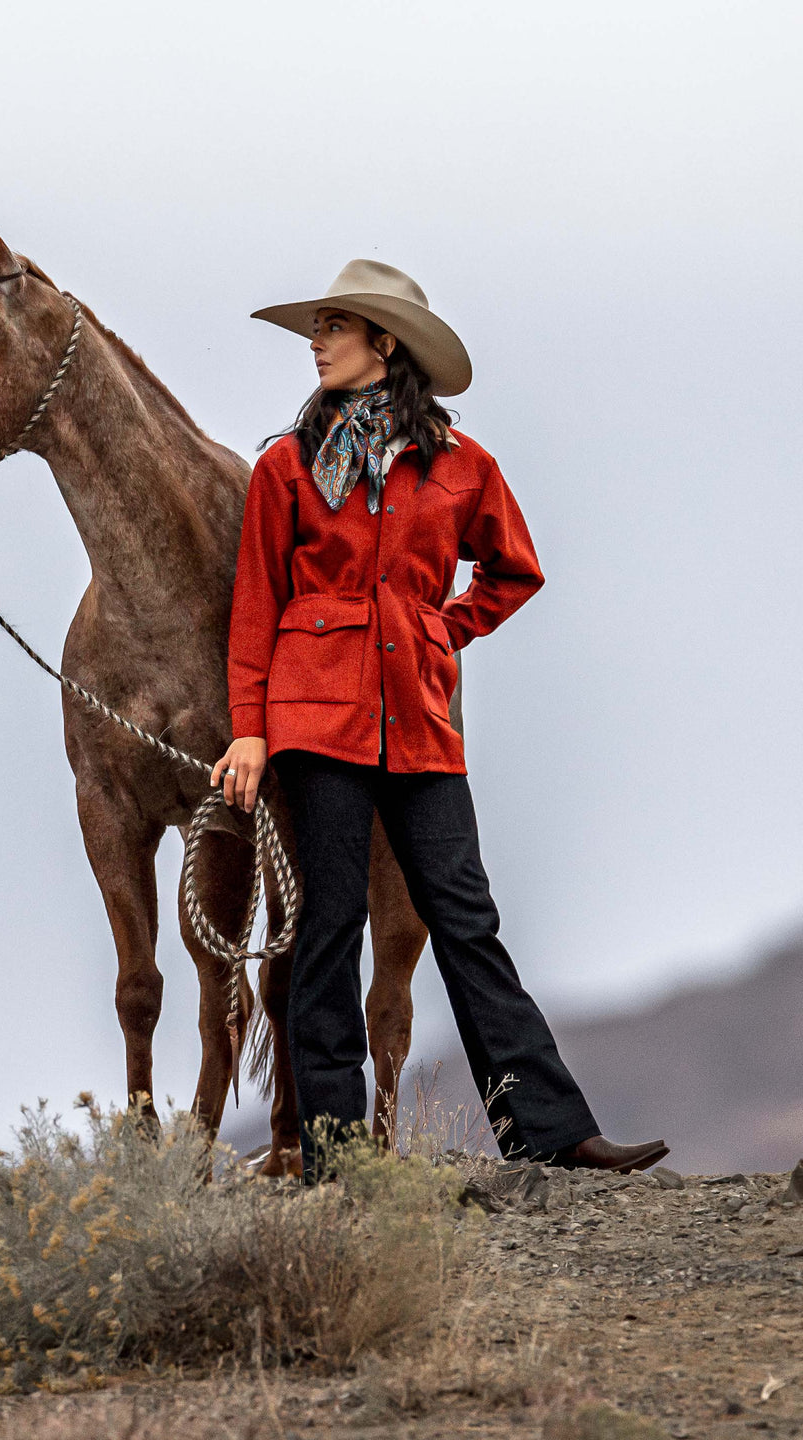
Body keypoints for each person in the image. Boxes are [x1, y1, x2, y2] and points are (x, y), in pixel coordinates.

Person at [210, 259, 668, 1184]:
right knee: (329, 927)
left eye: (333, 326)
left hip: (417, 718)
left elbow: (515, 571)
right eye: (318, 326)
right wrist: (250, 730)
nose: (316, 341)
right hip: (313, 719)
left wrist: (439, 630)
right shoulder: (285, 468)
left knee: (467, 919)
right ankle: (334, 1156)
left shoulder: (464, 468)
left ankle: (550, 1131)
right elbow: (255, 609)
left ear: (386, 343)